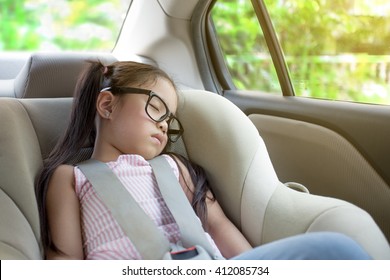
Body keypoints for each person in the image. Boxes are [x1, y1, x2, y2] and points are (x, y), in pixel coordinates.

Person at [35, 61, 371, 260]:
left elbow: (217, 225)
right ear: (107, 106)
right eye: (156, 108)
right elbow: (67, 260)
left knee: (338, 248)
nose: (165, 124)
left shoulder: (174, 167)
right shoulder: (71, 178)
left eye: (171, 119)